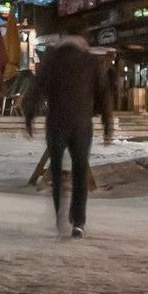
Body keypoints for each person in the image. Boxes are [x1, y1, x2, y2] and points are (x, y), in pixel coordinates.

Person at [24, 35, 114, 239]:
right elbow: (104, 93)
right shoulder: (91, 61)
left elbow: (36, 90)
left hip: (56, 122)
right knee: (80, 169)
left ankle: (60, 216)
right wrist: (107, 124)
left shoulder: (52, 61)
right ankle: (79, 221)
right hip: (82, 123)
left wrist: (29, 117)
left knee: (56, 170)